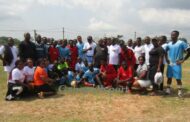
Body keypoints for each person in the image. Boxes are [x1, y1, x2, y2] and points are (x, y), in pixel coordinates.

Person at [165, 30, 190, 97]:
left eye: (174, 35)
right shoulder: (169, 44)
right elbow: (165, 51)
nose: (172, 36)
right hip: (170, 63)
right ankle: (168, 89)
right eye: (171, 35)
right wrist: (166, 59)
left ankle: (179, 91)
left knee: (178, 78)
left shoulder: (181, 43)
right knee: (169, 77)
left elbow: (189, 51)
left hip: (177, 63)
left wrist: (183, 60)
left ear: (177, 35)